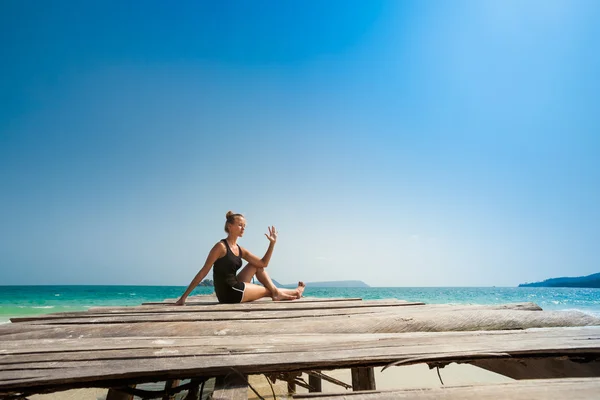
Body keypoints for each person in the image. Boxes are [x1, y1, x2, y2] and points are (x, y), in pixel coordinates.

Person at [175, 211, 305, 304]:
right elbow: (204, 271)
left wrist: (272, 244)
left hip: (236, 284)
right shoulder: (220, 247)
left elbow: (263, 263)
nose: (243, 228)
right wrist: (184, 297)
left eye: (244, 226)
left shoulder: (240, 249)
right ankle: (293, 292)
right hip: (229, 293)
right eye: (240, 225)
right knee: (267, 290)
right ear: (229, 227)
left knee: (256, 265)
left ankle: (280, 293)